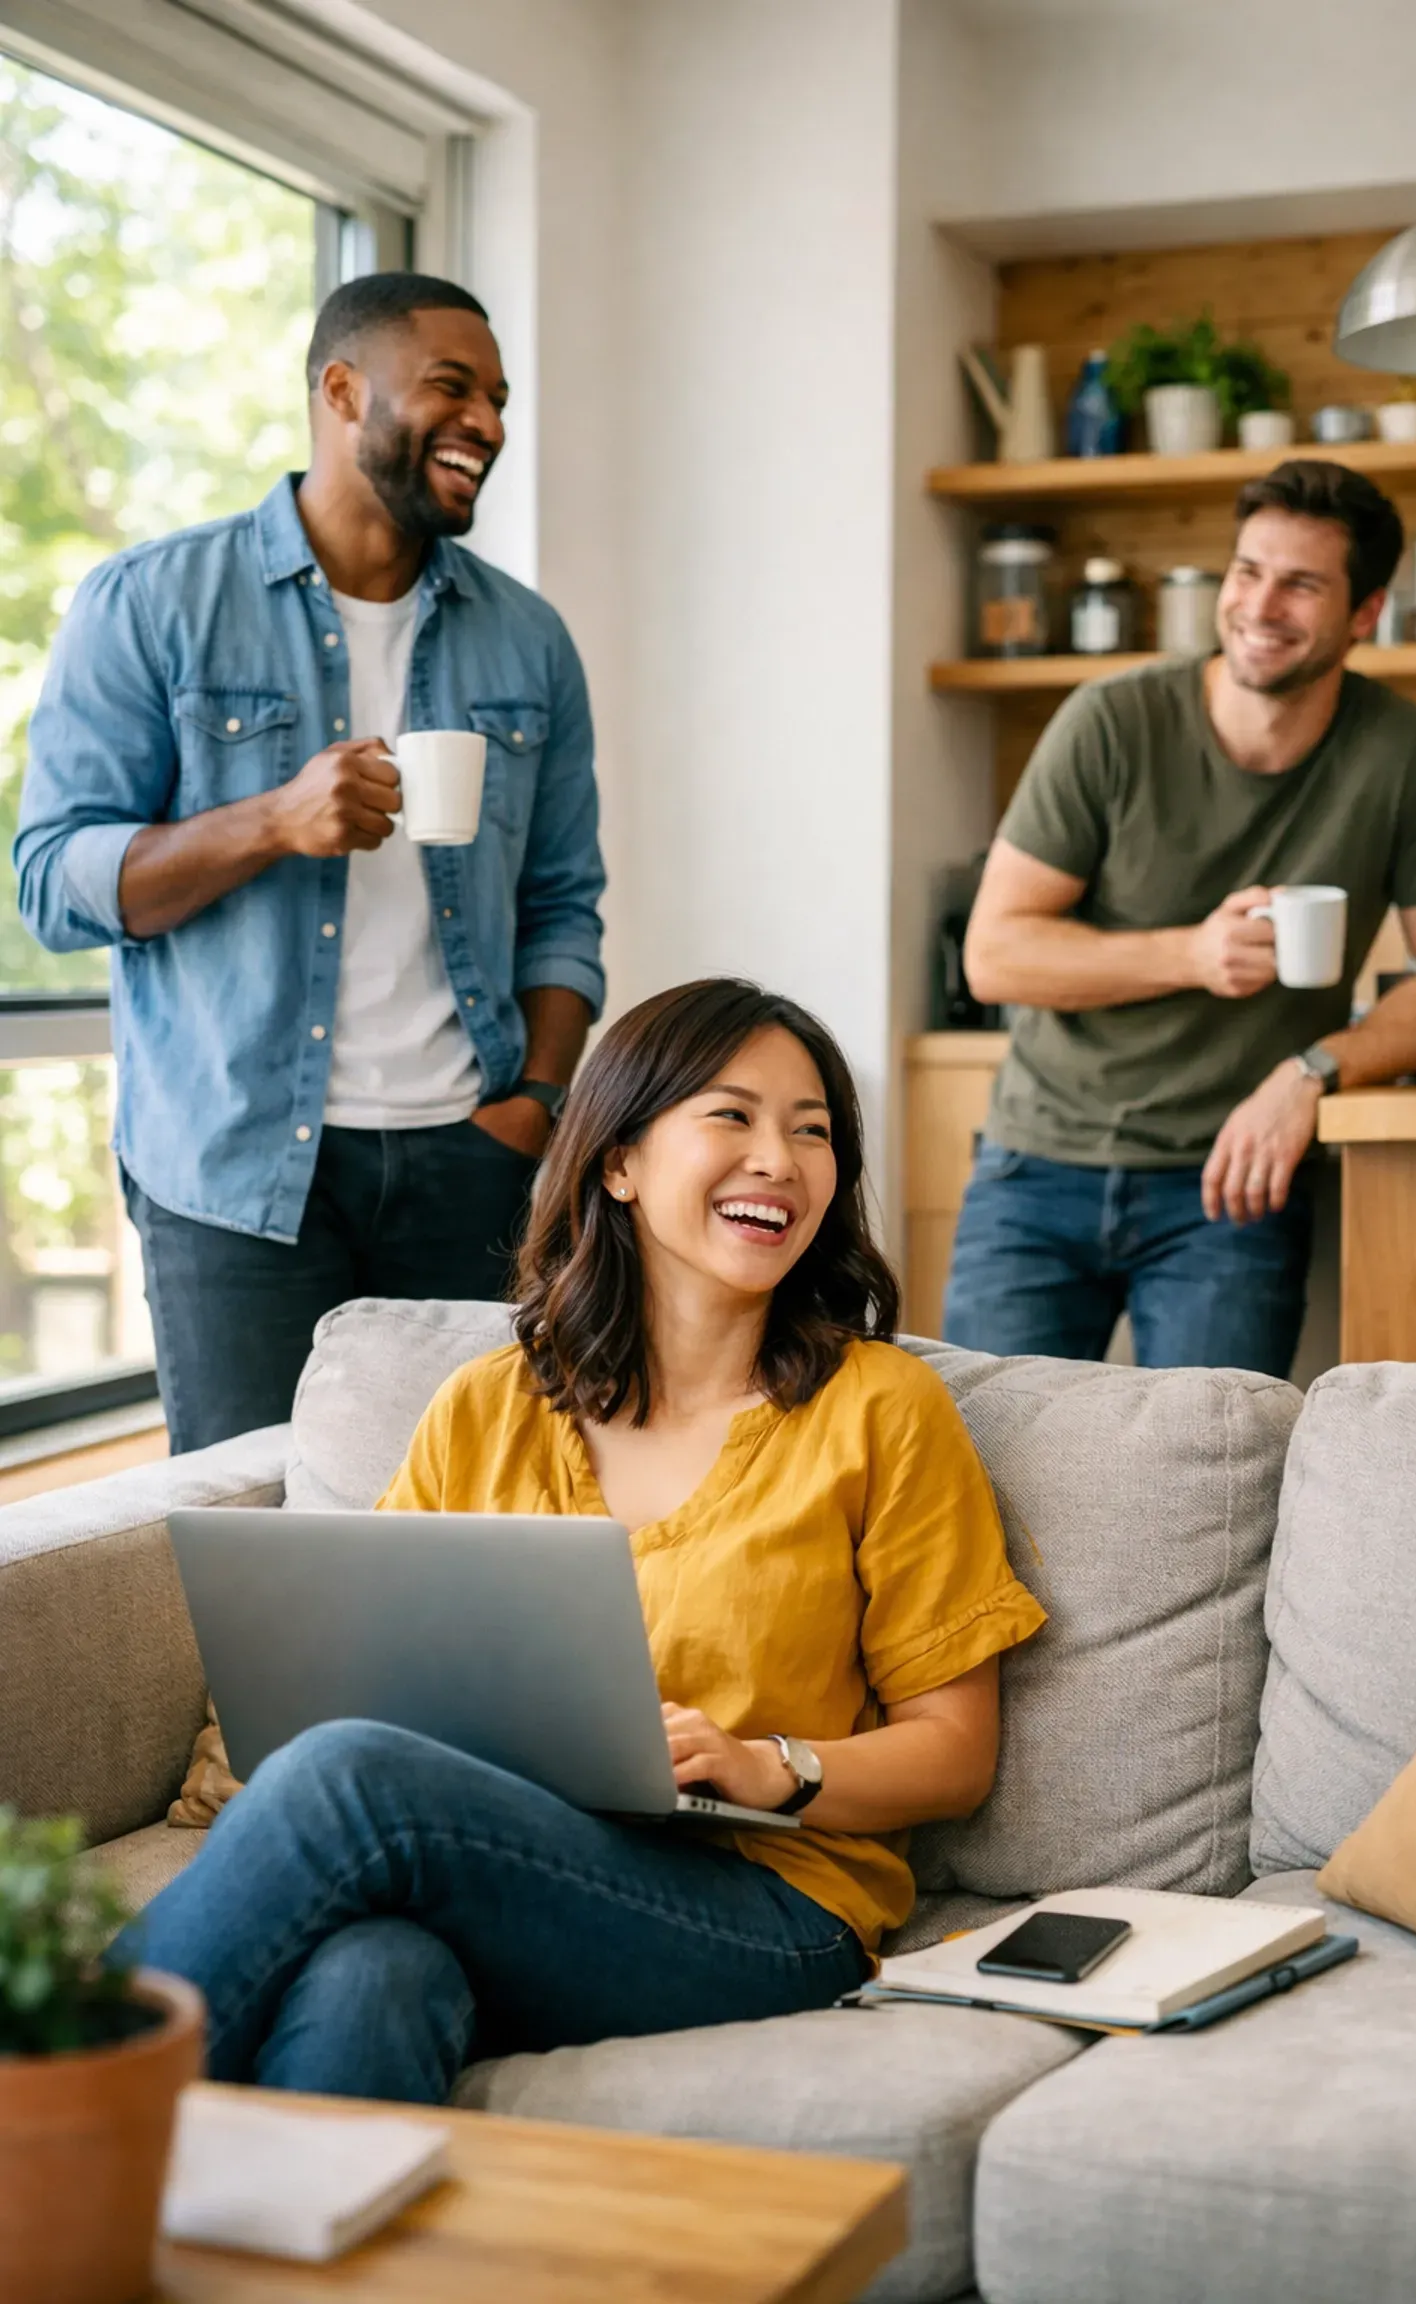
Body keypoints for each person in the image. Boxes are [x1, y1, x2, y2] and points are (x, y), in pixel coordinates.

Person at [117, 979, 1044, 2102]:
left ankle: (42, 2106)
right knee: (376, 1977)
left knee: (350, 1779)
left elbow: (956, 1751)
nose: (781, 1159)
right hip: (516, 1867)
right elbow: (364, 1668)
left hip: (769, 1906)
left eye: (814, 1132)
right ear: (618, 1162)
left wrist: (771, 1767)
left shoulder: (882, 1409)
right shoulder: (487, 1404)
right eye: (733, 1116)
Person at [16, 273, 604, 1453]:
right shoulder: (152, 603)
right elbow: (54, 882)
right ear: (341, 390)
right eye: (452, 386)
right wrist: (271, 821)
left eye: (497, 397)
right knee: (256, 1531)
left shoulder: (528, 638)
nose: (487, 421)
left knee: (464, 1520)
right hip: (236, 1179)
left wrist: (536, 1105)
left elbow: (563, 902)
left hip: (468, 1162)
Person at [946, 459, 1416, 1378]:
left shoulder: (1406, 754)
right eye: (1248, 571)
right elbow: (995, 955)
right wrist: (1193, 954)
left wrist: (1311, 1071)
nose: (1260, 605)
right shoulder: (1110, 722)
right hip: (1037, 1164)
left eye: (1301, 584)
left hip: (1234, 1186)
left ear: (1365, 614)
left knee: (1214, 1486)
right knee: (974, 1470)